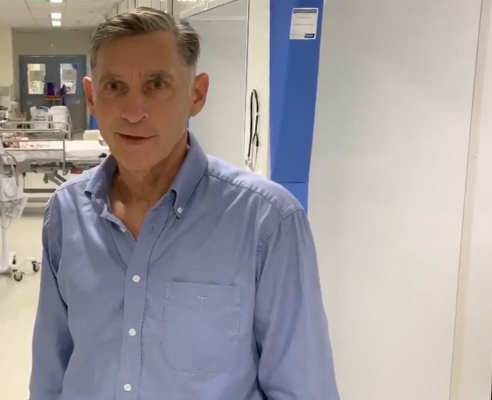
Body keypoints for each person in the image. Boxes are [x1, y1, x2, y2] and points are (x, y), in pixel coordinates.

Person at [29, 7, 340, 400]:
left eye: (157, 84)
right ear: (91, 97)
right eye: (115, 86)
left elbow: (303, 389)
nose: (133, 111)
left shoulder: (267, 223)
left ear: (197, 95)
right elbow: (51, 371)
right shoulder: (67, 214)